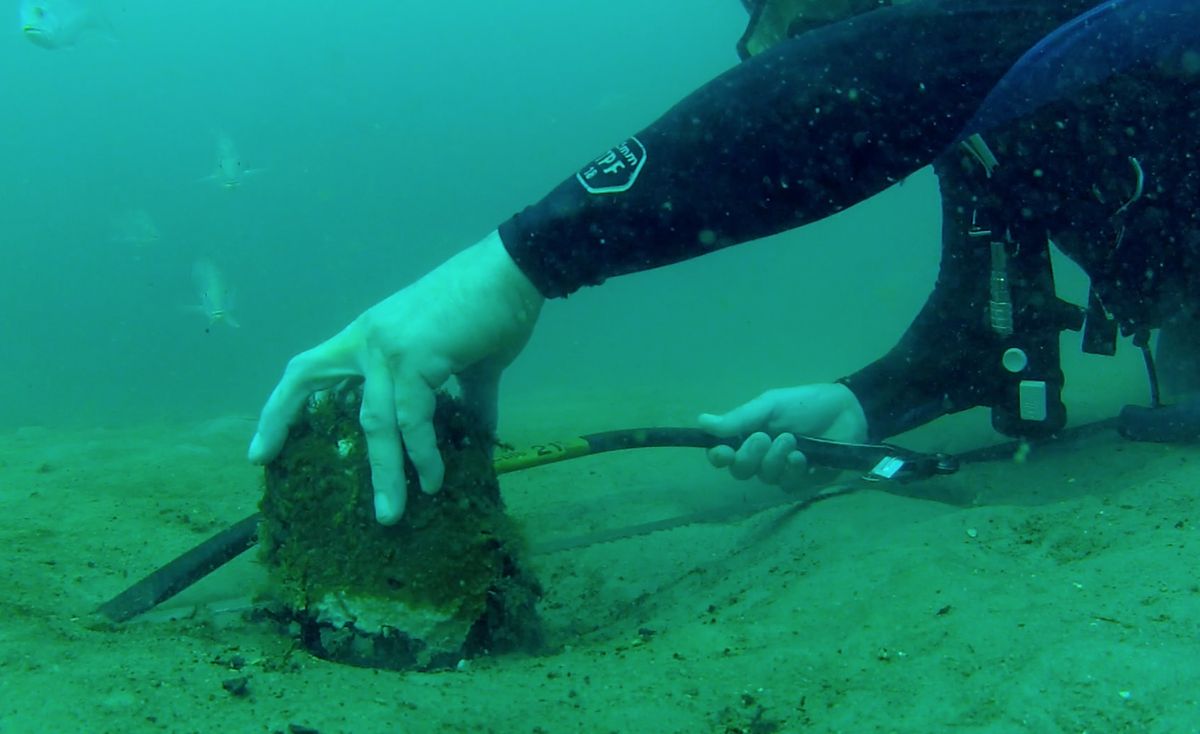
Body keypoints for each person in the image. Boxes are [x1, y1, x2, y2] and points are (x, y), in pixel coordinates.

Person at [248, 0, 1190, 522]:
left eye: (773, 11)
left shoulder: (1017, 35)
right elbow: (982, 317)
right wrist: (860, 401)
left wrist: (512, 266)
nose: (754, 46)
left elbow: (894, 73)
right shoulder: (998, 106)